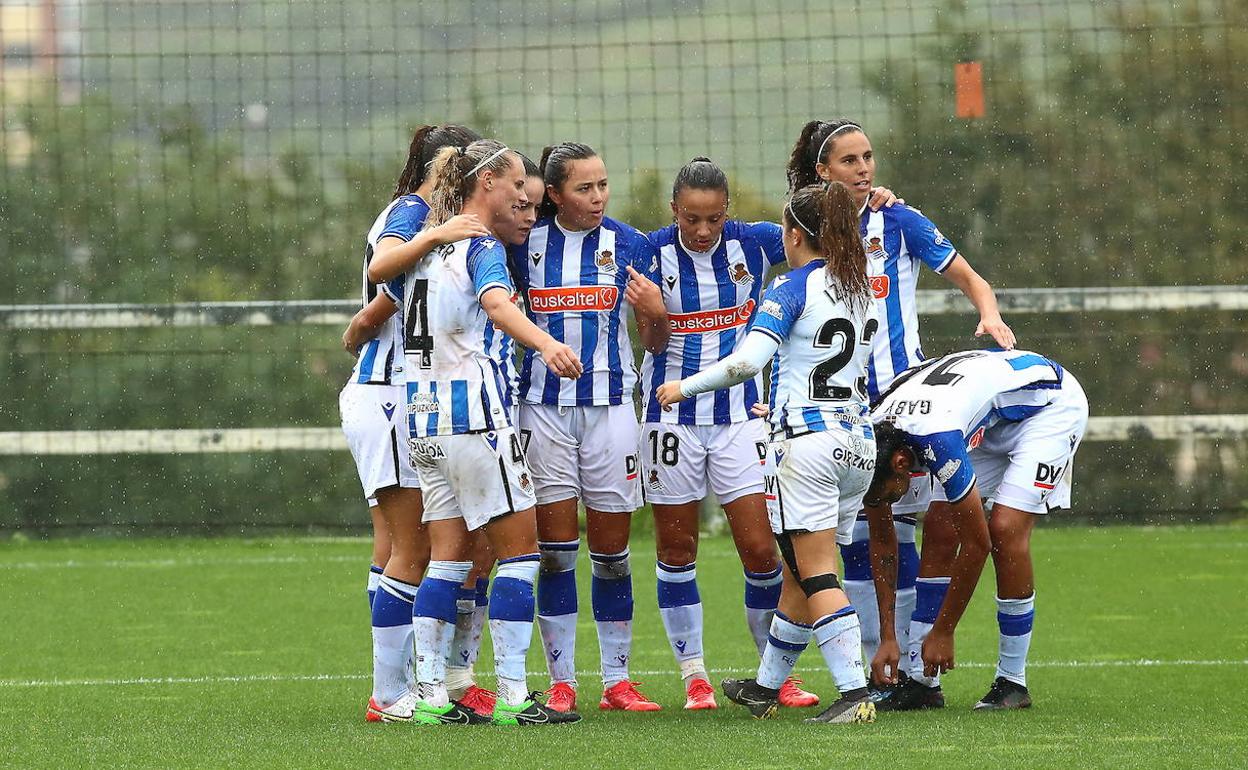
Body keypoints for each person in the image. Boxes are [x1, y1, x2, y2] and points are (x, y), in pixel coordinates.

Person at [642, 157, 894, 710]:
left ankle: (854, 692)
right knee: (800, 572)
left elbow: (746, 363)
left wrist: (684, 388)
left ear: (796, 235)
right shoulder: (865, 288)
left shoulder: (791, 287)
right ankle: (765, 684)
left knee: (818, 569)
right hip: (858, 442)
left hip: (808, 443)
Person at [787, 118, 1016, 692]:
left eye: (868, 158)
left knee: (928, 528)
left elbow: (971, 279)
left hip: (909, 398)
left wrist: (988, 313)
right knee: (868, 534)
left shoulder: (898, 221)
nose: (864, 169)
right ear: (823, 171)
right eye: (849, 161)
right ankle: (878, 662)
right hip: (842, 408)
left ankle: (912, 667)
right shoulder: (805, 231)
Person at [391, 138, 583, 726]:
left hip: (421, 419)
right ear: (488, 183)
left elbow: (386, 288)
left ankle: (428, 698)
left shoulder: (421, 249)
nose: (524, 192)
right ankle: (514, 697)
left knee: (447, 560)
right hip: (475, 417)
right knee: (521, 555)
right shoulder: (480, 244)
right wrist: (548, 343)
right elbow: (498, 306)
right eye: (517, 182)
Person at [506, 142, 669, 713]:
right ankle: (561, 681)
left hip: (610, 410)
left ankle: (617, 682)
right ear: (552, 193)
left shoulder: (628, 244)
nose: (598, 197)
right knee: (554, 552)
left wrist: (655, 313)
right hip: (541, 410)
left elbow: (655, 342)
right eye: (584, 188)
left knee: (613, 554)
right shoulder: (521, 243)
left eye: (603, 185)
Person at [338, 124, 480, 724]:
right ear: (433, 166)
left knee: (403, 543)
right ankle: (392, 693)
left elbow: (391, 297)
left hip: (397, 392)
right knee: (418, 544)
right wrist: (441, 232)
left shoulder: (438, 222)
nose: (462, 176)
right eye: (456, 164)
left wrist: (366, 322)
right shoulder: (414, 211)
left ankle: (408, 684)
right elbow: (385, 269)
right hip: (390, 393)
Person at [862, 348, 1087, 710]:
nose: (881, 503)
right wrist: (888, 636)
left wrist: (945, 631)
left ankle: (1012, 681)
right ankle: (922, 682)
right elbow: (882, 540)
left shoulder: (937, 440)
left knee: (1003, 530)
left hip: (1048, 410)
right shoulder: (870, 435)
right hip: (986, 417)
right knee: (938, 530)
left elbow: (976, 544)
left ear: (901, 463)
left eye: (883, 494)